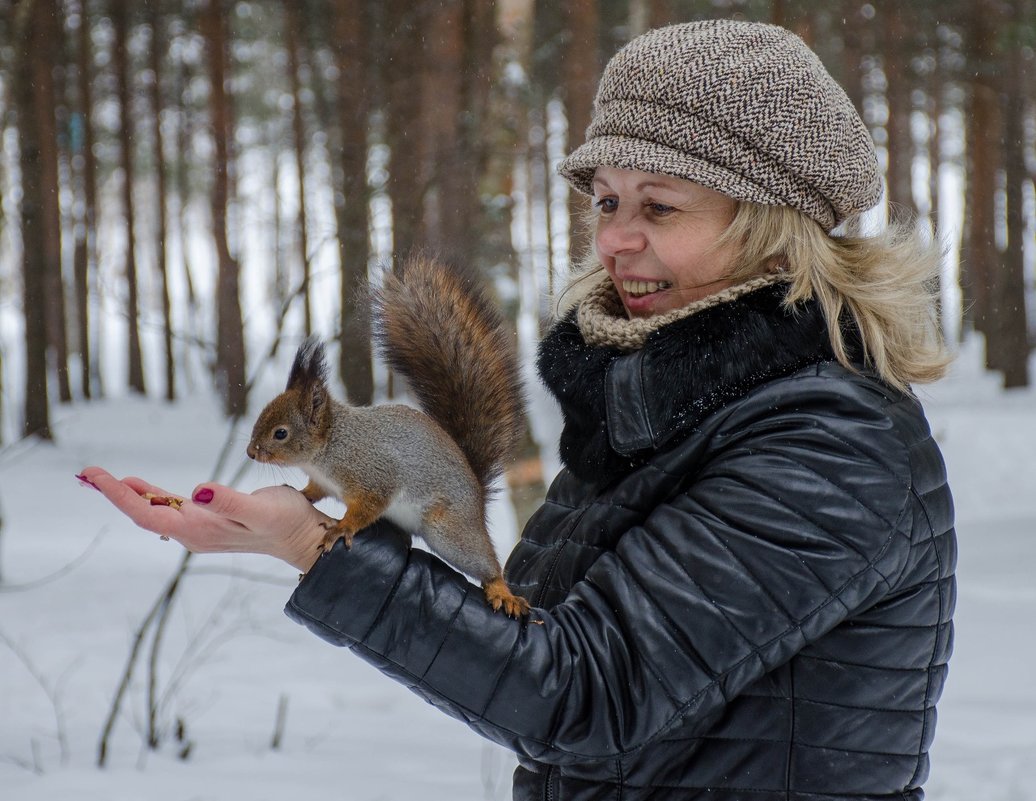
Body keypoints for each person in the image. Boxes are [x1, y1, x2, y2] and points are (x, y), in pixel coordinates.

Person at [80, 19, 956, 801]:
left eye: (659, 204)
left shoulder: (832, 443)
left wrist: (319, 550)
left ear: (772, 224)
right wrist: (303, 537)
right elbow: (535, 645)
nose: (614, 236)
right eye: (607, 200)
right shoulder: (661, 410)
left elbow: (585, 692)